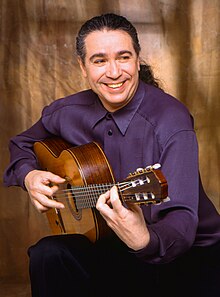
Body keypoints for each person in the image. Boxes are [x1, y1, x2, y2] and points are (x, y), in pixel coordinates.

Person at [3, 13, 220, 297]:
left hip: (184, 256)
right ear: (83, 66)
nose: (114, 72)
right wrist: (29, 175)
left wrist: (144, 239)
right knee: (48, 256)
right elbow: (22, 144)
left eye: (123, 57)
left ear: (138, 59)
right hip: (108, 241)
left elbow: (181, 221)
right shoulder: (66, 112)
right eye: (99, 60)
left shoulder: (171, 120)